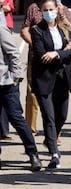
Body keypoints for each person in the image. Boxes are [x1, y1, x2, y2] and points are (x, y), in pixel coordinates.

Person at [20, 0, 71, 136]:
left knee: (58, 100)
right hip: (38, 59)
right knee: (33, 95)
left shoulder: (64, 10)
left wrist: (62, 14)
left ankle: (53, 134)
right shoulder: (34, 8)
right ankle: (30, 131)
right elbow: (24, 29)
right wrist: (38, 48)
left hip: (59, 63)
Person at [30, 0, 71, 169]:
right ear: (41, 12)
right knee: (48, 116)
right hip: (44, 79)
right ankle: (54, 152)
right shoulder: (37, 30)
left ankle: (50, 138)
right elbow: (43, 56)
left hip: (62, 77)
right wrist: (63, 51)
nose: (49, 13)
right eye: (45, 10)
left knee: (62, 115)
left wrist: (57, 54)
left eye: (52, 9)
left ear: (58, 10)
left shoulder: (64, 28)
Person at [0, 24, 42, 171]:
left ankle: (33, 153)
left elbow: (14, 53)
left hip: (6, 82)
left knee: (16, 117)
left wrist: (16, 77)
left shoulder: (0, 29)